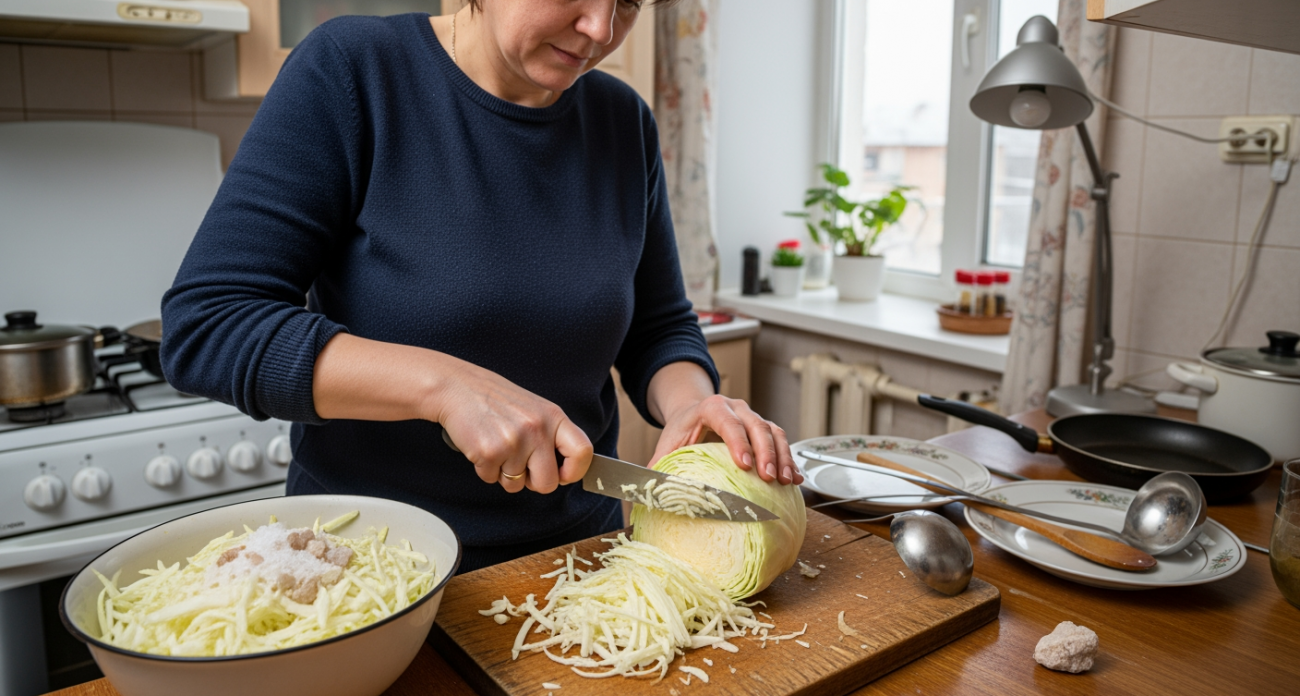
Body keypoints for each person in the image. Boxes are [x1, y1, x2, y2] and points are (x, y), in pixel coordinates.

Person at [161, 0, 801, 574]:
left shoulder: (623, 121)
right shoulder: (353, 71)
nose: (601, 28)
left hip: (578, 560)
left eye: (629, 2)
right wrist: (444, 386)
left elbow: (658, 326)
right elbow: (210, 325)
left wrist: (688, 404)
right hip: (371, 571)